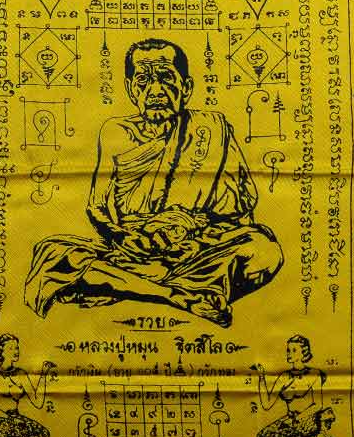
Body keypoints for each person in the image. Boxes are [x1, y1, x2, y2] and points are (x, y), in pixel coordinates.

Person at [25, 38, 283, 327]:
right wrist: (123, 238)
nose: (156, 90)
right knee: (55, 252)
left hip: (193, 246)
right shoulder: (115, 132)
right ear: (130, 88)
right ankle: (177, 296)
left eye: (166, 78)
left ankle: (133, 287)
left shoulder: (211, 128)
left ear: (186, 87)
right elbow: (97, 207)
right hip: (132, 246)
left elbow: (241, 209)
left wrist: (193, 236)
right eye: (144, 80)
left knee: (264, 250)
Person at [254, 334, 337, 437]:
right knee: (263, 436)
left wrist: (297, 419)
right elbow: (267, 404)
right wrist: (261, 377)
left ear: (304, 353)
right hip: (291, 419)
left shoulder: (314, 374)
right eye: (288, 350)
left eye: (294, 350)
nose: (289, 353)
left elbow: (318, 405)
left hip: (309, 418)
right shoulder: (284, 376)